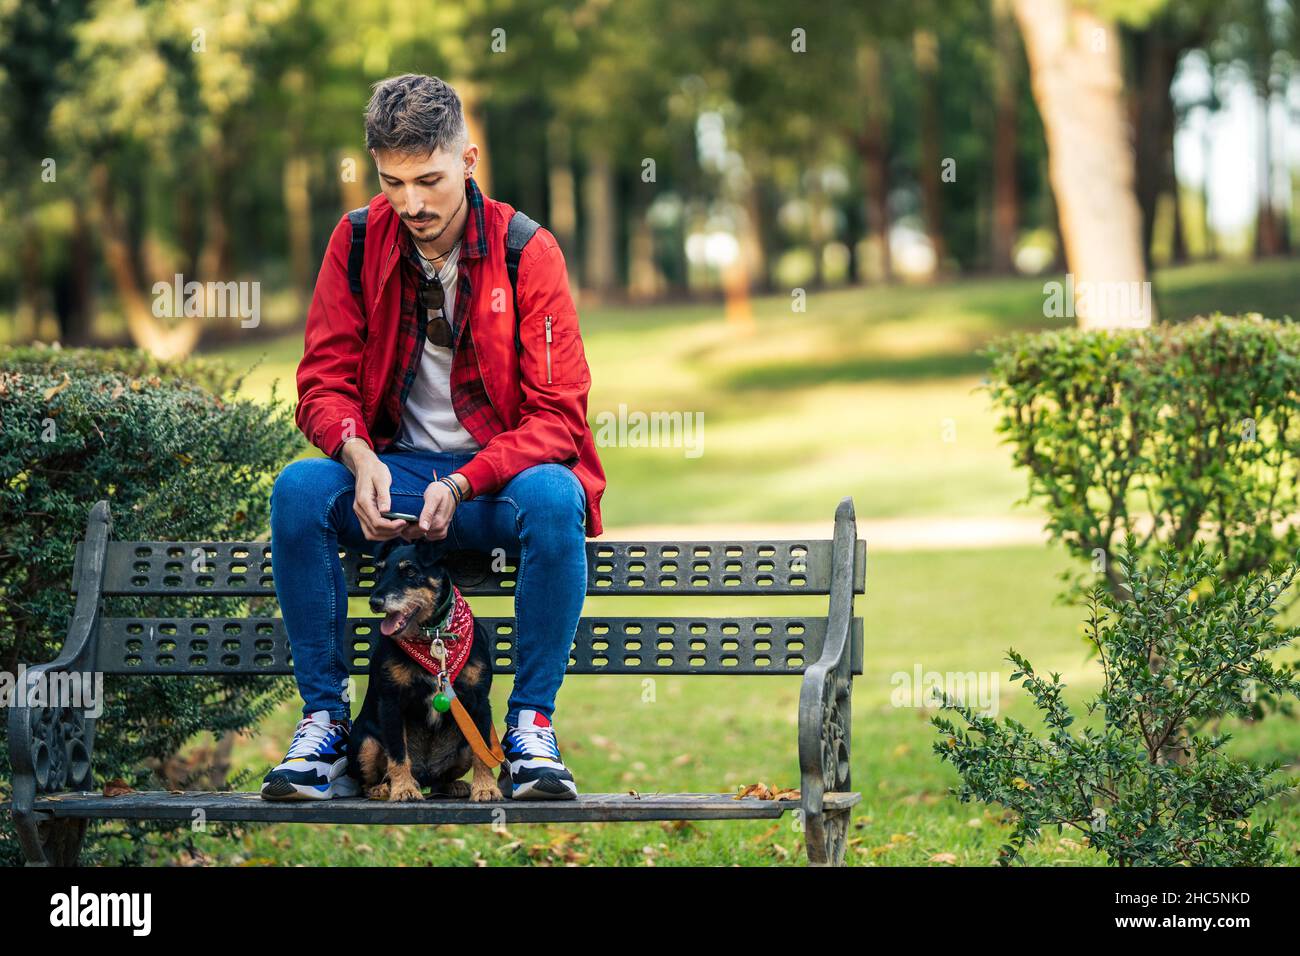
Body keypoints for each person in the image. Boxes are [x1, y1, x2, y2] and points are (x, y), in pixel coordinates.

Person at [260, 73, 606, 802]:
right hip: (393, 478)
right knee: (298, 492)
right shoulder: (355, 242)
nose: (412, 203)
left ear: (469, 160)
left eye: (429, 180)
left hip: (494, 483)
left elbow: (560, 416)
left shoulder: (526, 251)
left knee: (554, 497)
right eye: (393, 183)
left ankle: (531, 730)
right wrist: (356, 457)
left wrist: (464, 480)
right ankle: (324, 728)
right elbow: (322, 381)